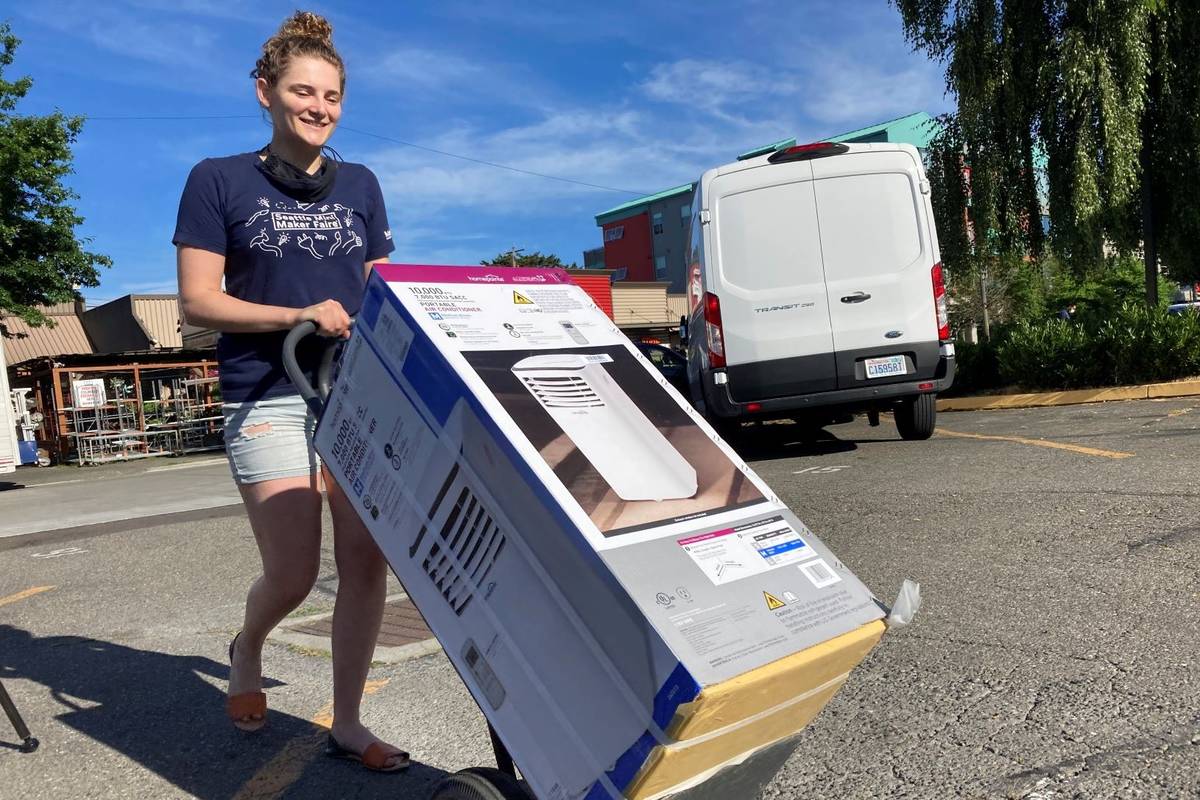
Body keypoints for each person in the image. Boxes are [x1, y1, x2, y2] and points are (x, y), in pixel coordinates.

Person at [173, 11, 408, 773]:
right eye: (303, 91)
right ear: (265, 93)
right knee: (297, 572)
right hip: (267, 390)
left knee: (366, 561)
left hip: (354, 395)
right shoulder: (217, 180)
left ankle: (347, 720)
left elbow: (378, 289)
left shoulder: (363, 186)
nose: (319, 106)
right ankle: (248, 648)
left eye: (332, 95)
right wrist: (295, 315)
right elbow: (200, 303)